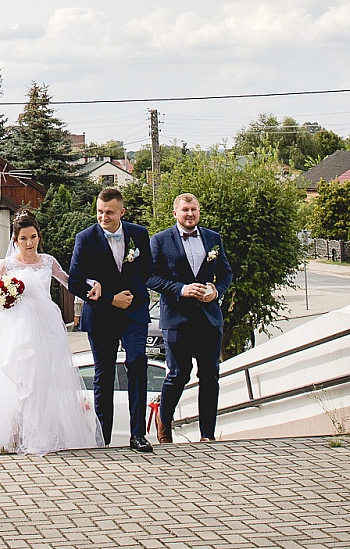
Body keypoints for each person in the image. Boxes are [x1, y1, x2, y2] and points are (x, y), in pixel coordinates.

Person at [0, 210, 103, 455]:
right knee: (17, 381)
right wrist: (6, 297)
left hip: (45, 328)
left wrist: (92, 284)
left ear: (39, 236)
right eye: (23, 238)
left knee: (41, 382)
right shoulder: (7, 264)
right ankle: (13, 435)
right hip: (16, 330)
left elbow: (68, 282)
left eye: (33, 237)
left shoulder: (48, 261)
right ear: (15, 240)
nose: (29, 243)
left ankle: (37, 435)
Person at [67, 187, 155, 451]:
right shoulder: (85, 239)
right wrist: (109, 298)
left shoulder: (139, 234)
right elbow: (74, 281)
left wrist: (131, 292)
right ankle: (102, 438)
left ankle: (137, 435)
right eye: (100, 212)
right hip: (102, 314)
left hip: (133, 312)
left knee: (137, 362)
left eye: (109, 213)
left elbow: (148, 269)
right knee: (104, 374)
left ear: (121, 212)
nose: (103, 217)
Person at [148, 192, 234, 443]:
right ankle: (164, 422)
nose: (190, 214)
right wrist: (181, 289)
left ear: (199, 212)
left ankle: (207, 435)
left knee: (210, 375)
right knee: (179, 374)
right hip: (177, 319)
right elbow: (150, 277)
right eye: (185, 210)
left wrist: (216, 291)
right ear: (175, 213)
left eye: (194, 209)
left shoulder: (213, 238)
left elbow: (226, 273)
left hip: (209, 319)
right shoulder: (160, 240)